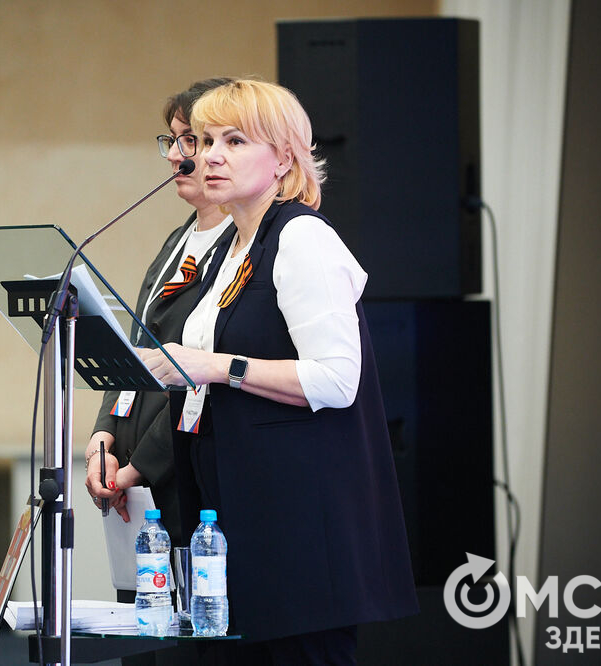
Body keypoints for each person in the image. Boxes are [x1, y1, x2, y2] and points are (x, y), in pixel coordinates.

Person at [138, 79, 419, 665]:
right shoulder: (231, 248)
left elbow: (336, 380)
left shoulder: (302, 238)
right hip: (238, 519)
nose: (210, 156)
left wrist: (218, 367)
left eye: (235, 141)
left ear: (285, 158)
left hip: (300, 533)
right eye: (206, 140)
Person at [84, 80, 236, 547]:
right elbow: (135, 350)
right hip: (132, 474)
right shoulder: (179, 240)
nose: (173, 155)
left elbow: (202, 382)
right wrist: (102, 439)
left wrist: (138, 468)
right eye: (171, 140)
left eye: (188, 140)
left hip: (186, 473)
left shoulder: (242, 248)